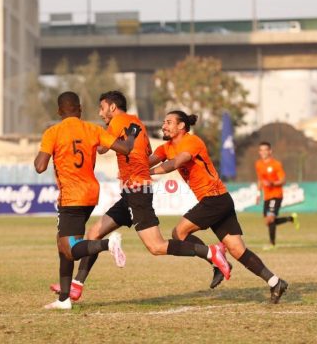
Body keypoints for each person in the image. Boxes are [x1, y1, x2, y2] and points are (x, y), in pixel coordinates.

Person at [49, 91, 231, 302]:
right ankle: (76, 286)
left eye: (102, 108)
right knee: (94, 234)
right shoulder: (137, 123)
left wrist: (85, 137)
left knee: (156, 246)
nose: (100, 113)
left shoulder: (118, 122)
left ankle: (210, 252)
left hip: (138, 192)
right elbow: (143, 154)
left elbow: (100, 148)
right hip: (131, 191)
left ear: (112, 107)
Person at [149, 111, 289, 304]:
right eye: (164, 122)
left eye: (169, 122)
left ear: (181, 126)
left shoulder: (192, 142)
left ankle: (215, 259)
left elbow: (176, 163)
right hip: (219, 200)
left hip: (214, 200)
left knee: (179, 233)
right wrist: (132, 165)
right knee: (237, 250)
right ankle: (275, 282)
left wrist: (147, 174)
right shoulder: (166, 147)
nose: (164, 125)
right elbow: (149, 160)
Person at [34, 91, 141, 310]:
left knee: (69, 248)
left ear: (58, 111)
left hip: (71, 195)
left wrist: (45, 151)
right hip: (91, 193)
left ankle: (108, 244)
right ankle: (64, 299)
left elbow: (40, 166)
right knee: (62, 242)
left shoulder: (53, 132)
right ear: (80, 109)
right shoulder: (93, 129)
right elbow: (125, 148)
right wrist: (130, 134)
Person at [255, 142, 299, 249]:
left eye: (266, 150)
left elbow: (283, 180)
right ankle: (290, 219)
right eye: (261, 150)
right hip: (267, 196)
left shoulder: (276, 164)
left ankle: (272, 244)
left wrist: (273, 183)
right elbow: (260, 180)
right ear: (259, 152)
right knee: (268, 221)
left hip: (276, 195)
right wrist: (258, 193)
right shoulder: (258, 164)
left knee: (270, 219)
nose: (263, 152)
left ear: (270, 151)